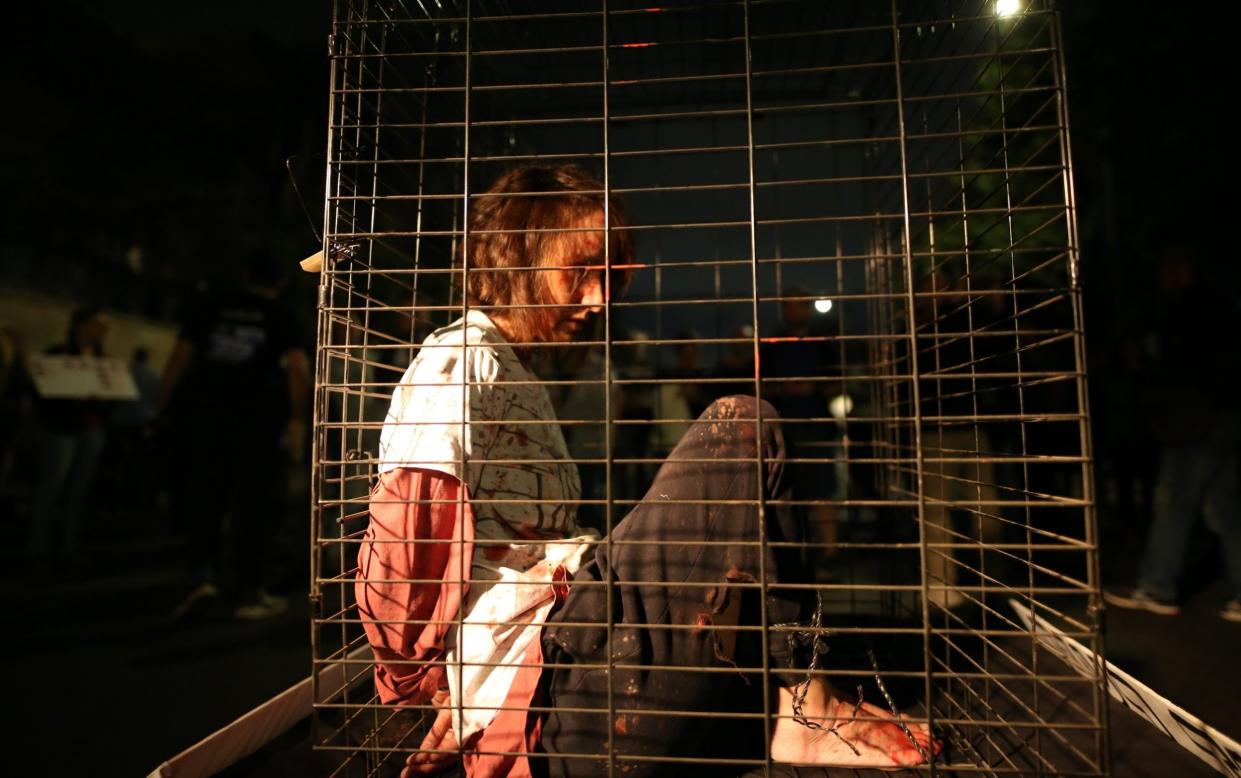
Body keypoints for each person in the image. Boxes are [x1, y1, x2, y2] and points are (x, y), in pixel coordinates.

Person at [356, 164, 939, 778]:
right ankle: (807, 708)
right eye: (582, 269)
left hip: (579, 693)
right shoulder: (461, 356)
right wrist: (421, 684)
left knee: (735, 637)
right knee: (742, 424)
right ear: (517, 257)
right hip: (558, 699)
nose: (600, 297)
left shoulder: (515, 370)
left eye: (612, 276)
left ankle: (798, 709)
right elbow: (404, 533)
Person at [161, 255, 310, 620]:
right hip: (259, 422)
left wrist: (161, 405)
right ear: (281, 284)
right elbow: (297, 368)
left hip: (207, 417)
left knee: (206, 498)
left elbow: (180, 356)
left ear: (246, 276)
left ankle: (202, 578)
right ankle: (250, 591)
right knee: (256, 506)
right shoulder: (282, 316)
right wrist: (296, 418)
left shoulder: (212, 306)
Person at [1104, 245, 1241, 622]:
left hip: (1198, 419)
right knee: (1224, 507)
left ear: (1181, 271)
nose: (1161, 281)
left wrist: (1146, 363)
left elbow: (1179, 364)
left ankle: (1157, 586)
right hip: (1223, 414)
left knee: (1174, 500)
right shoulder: (1221, 304)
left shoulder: (1190, 310)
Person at [25, 307, 112, 563]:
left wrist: (101, 405)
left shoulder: (103, 360)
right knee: (51, 486)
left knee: (80, 490)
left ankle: (69, 544)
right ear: (80, 325)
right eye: (98, 323)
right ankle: (37, 546)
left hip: (91, 429)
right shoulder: (57, 354)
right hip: (61, 428)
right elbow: (41, 391)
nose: (103, 330)